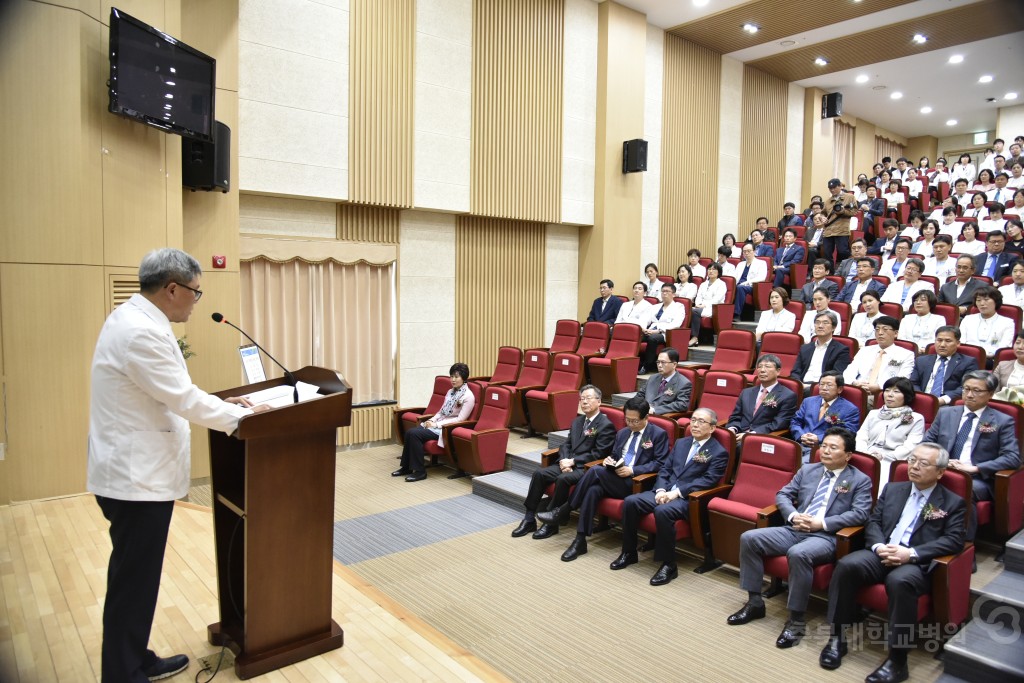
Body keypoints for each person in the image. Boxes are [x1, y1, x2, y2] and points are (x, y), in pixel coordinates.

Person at [88, 248, 269, 683]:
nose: (196, 300)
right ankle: (123, 672)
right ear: (172, 289)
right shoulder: (141, 332)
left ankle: (134, 658)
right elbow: (183, 399)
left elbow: (171, 389)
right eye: (196, 292)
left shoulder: (138, 319)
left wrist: (223, 403)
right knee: (134, 580)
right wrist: (243, 417)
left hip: (133, 474)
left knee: (136, 578)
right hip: (135, 480)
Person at [821, 443, 966, 682]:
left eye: (923, 463)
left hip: (915, 561)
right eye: (912, 460)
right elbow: (874, 521)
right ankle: (837, 637)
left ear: (940, 472)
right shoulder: (894, 489)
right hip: (882, 551)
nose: (914, 467)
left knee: (900, 581)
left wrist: (910, 554)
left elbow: (954, 541)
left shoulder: (952, 502)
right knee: (847, 565)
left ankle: (898, 660)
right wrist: (878, 546)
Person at [726, 428, 872, 649]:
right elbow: (783, 494)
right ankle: (755, 602)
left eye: (833, 448)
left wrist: (821, 523)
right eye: (824, 446)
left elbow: (860, 513)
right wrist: (793, 515)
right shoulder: (809, 470)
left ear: (848, 455)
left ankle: (796, 620)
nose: (826, 451)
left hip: (826, 536)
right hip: (795, 528)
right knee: (749, 538)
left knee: (798, 553)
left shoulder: (860, 480)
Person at [539, 396, 669, 562]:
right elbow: (614, 455)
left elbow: (661, 463)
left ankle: (564, 510)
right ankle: (580, 540)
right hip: (615, 478)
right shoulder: (622, 433)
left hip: (637, 483)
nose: (630, 424)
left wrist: (632, 470)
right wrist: (609, 461)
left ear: (646, 418)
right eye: (627, 420)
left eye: (635, 421)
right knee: (593, 490)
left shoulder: (658, 434)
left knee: (594, 471)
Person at [613, 408, 729, 585]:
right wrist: (660, 490)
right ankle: (629, 553)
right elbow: (665, 469)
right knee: (630, 502)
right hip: (664, 491)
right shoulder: (682, 443)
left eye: (701, 422)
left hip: (686, 498)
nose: (695, 424)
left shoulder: (718, 452)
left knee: (663, 511)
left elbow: (708, 481)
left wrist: (676, 493)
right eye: (693, 420)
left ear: (712, 428)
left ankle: (669, 564)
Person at [923, 370, 1021, 539]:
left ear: (990, 394)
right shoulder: (946, 413)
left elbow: (1012, 457)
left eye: (976, 391)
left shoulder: (1002, 421)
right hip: (943, 468)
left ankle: (962, 544)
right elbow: (926, 444)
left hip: (978, 478)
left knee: (963, 487)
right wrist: (943, 462)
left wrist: (975, 468)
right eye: (966, 389)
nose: (969, 395)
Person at [511, 385, 616, 539]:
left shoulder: (606, 425)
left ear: (599, 401)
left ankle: (552, 523)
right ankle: (529, 517)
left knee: (563, 479)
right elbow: (566, 444)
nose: (584, 402)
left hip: (585, 469)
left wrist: (573, 462)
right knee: (539, 473)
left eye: (588, 398)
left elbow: (599, 454)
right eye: (582, 399)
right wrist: (564, 461)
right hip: (567, 462)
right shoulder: (578, 421)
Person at [395, 362, 475, 481]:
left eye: (456, 377)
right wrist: (431, 420)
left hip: (447, 429)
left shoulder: (468, 396)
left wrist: (436, 424)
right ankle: (406, 467)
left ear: (464, 378)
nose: (453, 379)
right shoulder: (450, 392)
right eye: (451, 376)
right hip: (437, 424)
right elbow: (441, 411)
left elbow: (460, 419)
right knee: (409, 433)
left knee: (414, 434)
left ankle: (420, 472)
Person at [855, 378, 926, 489]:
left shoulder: (916, 418)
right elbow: (861, 436)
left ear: (906, 395)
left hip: (891, 460)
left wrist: (884, 456)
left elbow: (910, 446)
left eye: (896, 391)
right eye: (887, 390)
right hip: (866, 454)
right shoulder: (873, 414)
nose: (890, 395)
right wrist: (864, 453)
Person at [790, 372, 861, 462]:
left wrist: (819, 438)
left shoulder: (850, 409)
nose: (824, 388)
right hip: (800, 444)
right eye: (822, 384)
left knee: (800, 466)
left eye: (829, 385)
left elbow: (848, 433)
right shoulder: (808, 401)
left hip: (824, 449)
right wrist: (801, 435)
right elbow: (795, 421)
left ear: (839, 389)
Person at [726, 355, 798, 441]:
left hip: (762, 437)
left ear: (778, 371)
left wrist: (750, 434)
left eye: (767, 367)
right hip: (739, 434)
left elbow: (779, 423)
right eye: (759, 367)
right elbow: (735, 416)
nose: (762, 370)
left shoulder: (787, 395)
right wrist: (733, 428)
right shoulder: (746, 392)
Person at [843, 316, 915, 397]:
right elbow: (849, 372)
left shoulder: (906, 354)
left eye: (885, 329)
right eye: (877, 329)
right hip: (858, 390)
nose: (880, 333)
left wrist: (879, 387)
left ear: (896, 333)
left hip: (883, 394)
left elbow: (902, 380)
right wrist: (855, 383)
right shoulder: (864, 350)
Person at [909, 326, 979, 406]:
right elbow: (913, 383)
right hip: (921, 400)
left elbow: (966, 387)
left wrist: (943, 400)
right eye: (939, 340)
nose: (942, 345)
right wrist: (922, 398)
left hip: (948, 404)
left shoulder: (968, 362)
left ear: (958, 343)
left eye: (948, 341)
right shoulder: (921, 360)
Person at [790, 311, 851, 385]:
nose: (820, 326)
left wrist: (815, 387)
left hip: (823, 387)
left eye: (825, 323)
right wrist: (799, 385)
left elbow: (837, 375)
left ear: (833, 327)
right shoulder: (805, 348)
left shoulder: (841, 350)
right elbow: (795, 372)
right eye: (817, 322)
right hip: (802, 384)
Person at [639, 283, 687, 372]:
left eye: (667, 291)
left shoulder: (678, 307)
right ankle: (635, 363)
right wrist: (643, 328)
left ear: (673, 294)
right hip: (650, 330)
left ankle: (647, 366)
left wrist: (657, 331)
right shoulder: (655, 307)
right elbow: (645, 319)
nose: (664, 293)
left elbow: (676, 323)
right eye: (663, 291)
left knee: (652, 338)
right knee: (636, 335)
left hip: (665, 333)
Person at [960, 286, 1015, 357]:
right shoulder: (968, 319)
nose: (982, 304)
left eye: (986, 299)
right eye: (978, 300)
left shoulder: (1007, 322)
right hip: (966, 357)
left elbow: (1005, 346)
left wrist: (987, 355)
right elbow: (961, 341)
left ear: (996, 301)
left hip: (991, 359)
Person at [643, 348, 692, 415]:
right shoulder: (653, 378)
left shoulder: (684, 383)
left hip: (661, 416)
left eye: (663, 362)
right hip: (643, 414)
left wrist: (655, 410)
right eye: (658, 362)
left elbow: (682, 404)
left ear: (674, 365)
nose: (659, 365)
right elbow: (640, 396)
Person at [689, 262, 727, 346]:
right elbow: (698, 296)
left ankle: (695, 337)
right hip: (700, 307)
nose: (711, 271)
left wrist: (704, 305)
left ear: (719, 272)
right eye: (709, 269)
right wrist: (698, 304)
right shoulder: (703, 284)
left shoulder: (722, 284)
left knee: (694, 312)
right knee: (689, 310)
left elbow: (717, 299)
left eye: (714, 269)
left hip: (714, 308)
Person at [822, 178, 857, 264]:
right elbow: (823, 213)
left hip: (842, 229)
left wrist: (843, 211)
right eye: (830, 188)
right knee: (826, 253)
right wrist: (822, 217)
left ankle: (842, 270)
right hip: (828, 230)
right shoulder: (827, 201)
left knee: (843, 252)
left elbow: (854, 211)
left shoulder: (849, 197)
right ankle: (830, 272)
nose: (832, 190)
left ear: (840, 186)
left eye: (834, 187)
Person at [733, 243, 769, 318]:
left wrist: (747, 282)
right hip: (739, 285)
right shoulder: (740, 264)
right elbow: (734, 277)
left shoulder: (761, 263)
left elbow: (762, 277)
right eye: (744, 251)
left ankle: (736, 314)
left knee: (740, 288)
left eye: (749, 251)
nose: (746, 253)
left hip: (752, 287)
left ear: (754, 251)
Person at [993, 330, 1024, 394]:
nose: (1020, 347)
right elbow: (992, 392)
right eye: (1018, 342)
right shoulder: (1002, 366)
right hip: (1004, 403)